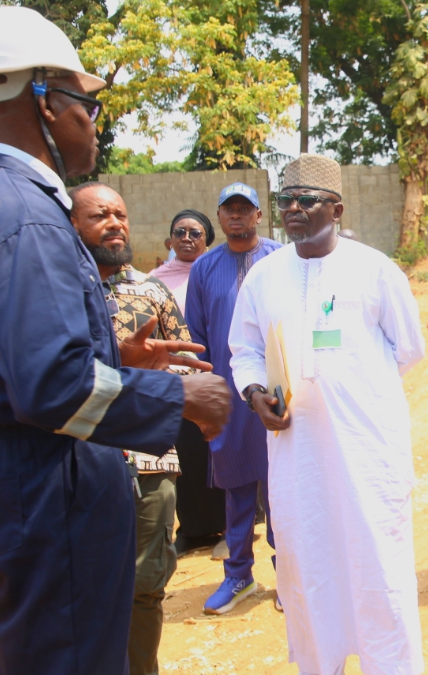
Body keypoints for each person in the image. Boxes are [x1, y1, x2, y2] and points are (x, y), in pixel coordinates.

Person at [0, 6, 229, 675]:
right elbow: (53, 387)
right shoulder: (26, 216)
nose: (90, 123)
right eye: (84, 104)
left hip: (24, 474)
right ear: (42, 96)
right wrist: (181, 398)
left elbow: (13, 360)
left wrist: (112, 358)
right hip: (43, 482)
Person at [229, 153, 427, 675]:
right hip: (297, 454)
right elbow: (244, 349)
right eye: (285, 201)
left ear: (335, 208)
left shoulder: (375, 269)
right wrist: (253, 393)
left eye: (306, 200)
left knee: (378, 567)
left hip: (367, 452)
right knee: (306, 566)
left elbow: (409, 350)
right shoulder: (264, 276)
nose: (293, 210)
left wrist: (352, 388)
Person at [70, 182, 194, 675]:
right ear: (73, 226)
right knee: (84, 584)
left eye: (120, 214)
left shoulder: (152, 291)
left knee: (147, 586)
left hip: (150, 460)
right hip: (82, 461)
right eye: (100, 215)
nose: (115, 224)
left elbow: (189, 361)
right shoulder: (59, 295)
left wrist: (153, 377)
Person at [186, 182, 283, 614]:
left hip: (279, 390)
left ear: (259, 215)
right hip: (230, 393)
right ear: (220, 217)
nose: (237, 216)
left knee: (282, 487)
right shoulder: (204, 268)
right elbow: (198, 338)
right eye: (229, 210)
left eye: (246, 209)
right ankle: (238, 574)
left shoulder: (282, 259)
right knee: (237, 486)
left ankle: (291, 576)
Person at [152, 210, 228, 557]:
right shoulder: (153, 281)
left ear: (207, 240)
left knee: (222, 449)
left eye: (195, 233)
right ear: (169, 240)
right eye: (179, 231)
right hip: (175, 379)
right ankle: (194, 528)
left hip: (216, 370)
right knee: (185, 451)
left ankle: (232, 525)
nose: (186, 238)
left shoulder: (217, 271)